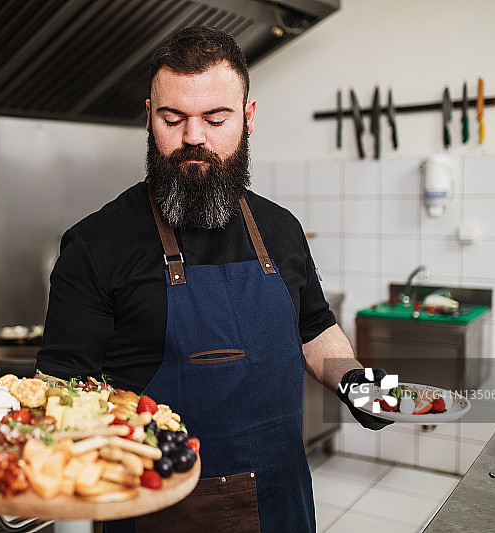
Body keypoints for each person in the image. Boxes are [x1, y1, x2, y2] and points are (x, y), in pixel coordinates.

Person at [36, 25, 391, 533]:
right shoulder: (95, 246)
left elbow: (314, 329)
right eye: (172, 118)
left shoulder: (281, 229)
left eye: (215, 118)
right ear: (149, 118)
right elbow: (58, 393)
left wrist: (358, 382)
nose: (193, 138)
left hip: (283, 503)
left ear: (248, 118)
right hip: (161, 514)